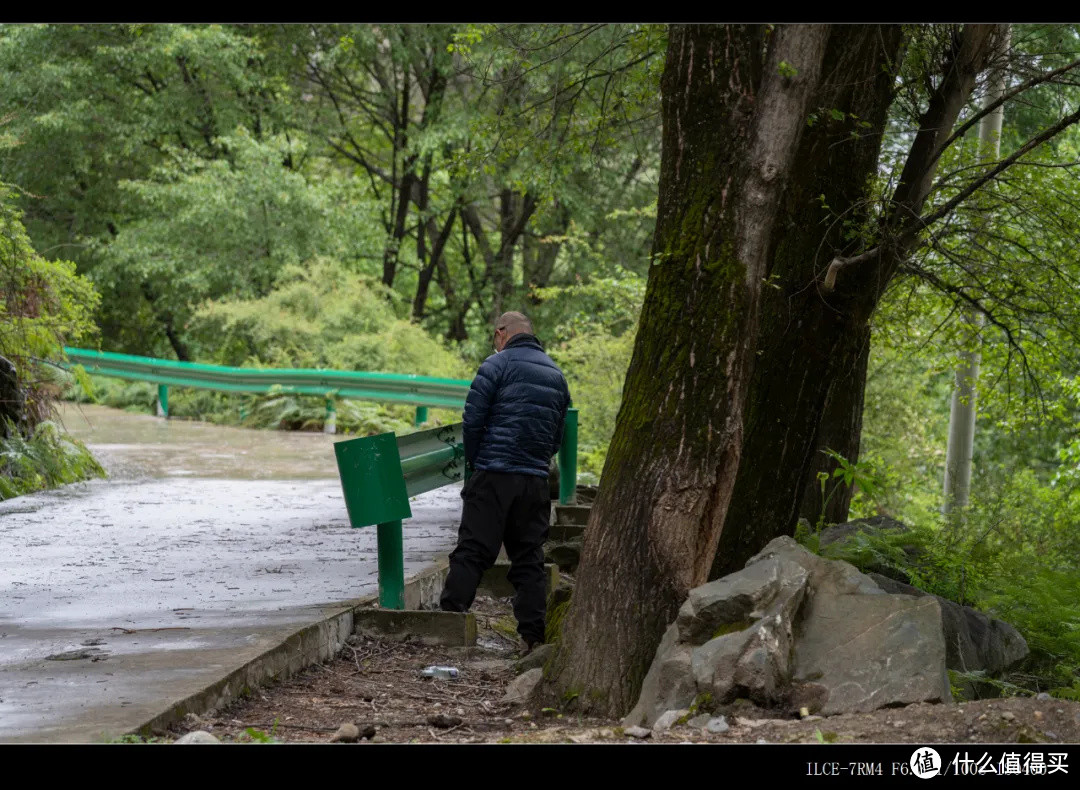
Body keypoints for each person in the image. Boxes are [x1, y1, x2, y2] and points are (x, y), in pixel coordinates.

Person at [439, 311, 571, 653]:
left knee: (473, 549)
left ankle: (451, 620)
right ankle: (532, 636)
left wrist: (477, 462)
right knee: (529, 557)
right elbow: (558, 435)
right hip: (534, 479)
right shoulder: (557, 374)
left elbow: (472, 422)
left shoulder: (495, 366)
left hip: (494, 473)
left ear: (501, 334)